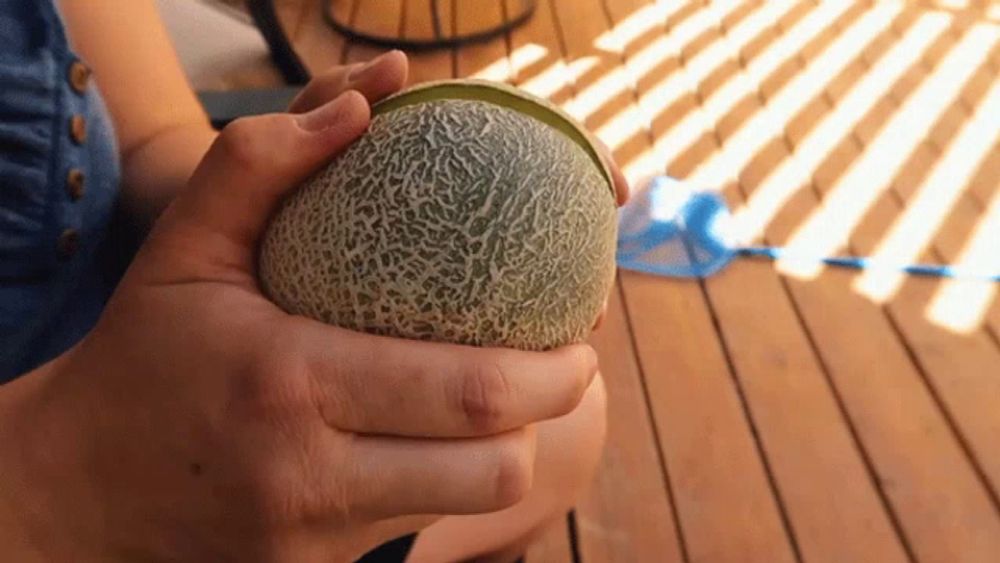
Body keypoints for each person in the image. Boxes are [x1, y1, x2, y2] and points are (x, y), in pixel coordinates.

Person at [0, 1, 629, 561]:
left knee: (559, 426)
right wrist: (74, 491)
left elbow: (150, 137)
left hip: (163, 352)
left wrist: (246, 202)